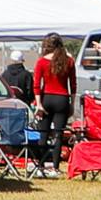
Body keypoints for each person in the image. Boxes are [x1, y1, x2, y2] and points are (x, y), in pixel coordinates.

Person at [33, 34, 75, 173]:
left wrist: (38, 104)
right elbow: (73, 85)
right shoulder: (69, 61)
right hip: (62, 99)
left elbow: (37, 85)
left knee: (43, 134)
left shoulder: (41, 62)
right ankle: (56, 167)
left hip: (47, 98)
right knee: (58, 134)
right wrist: (72, 103)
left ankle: (41, 165)